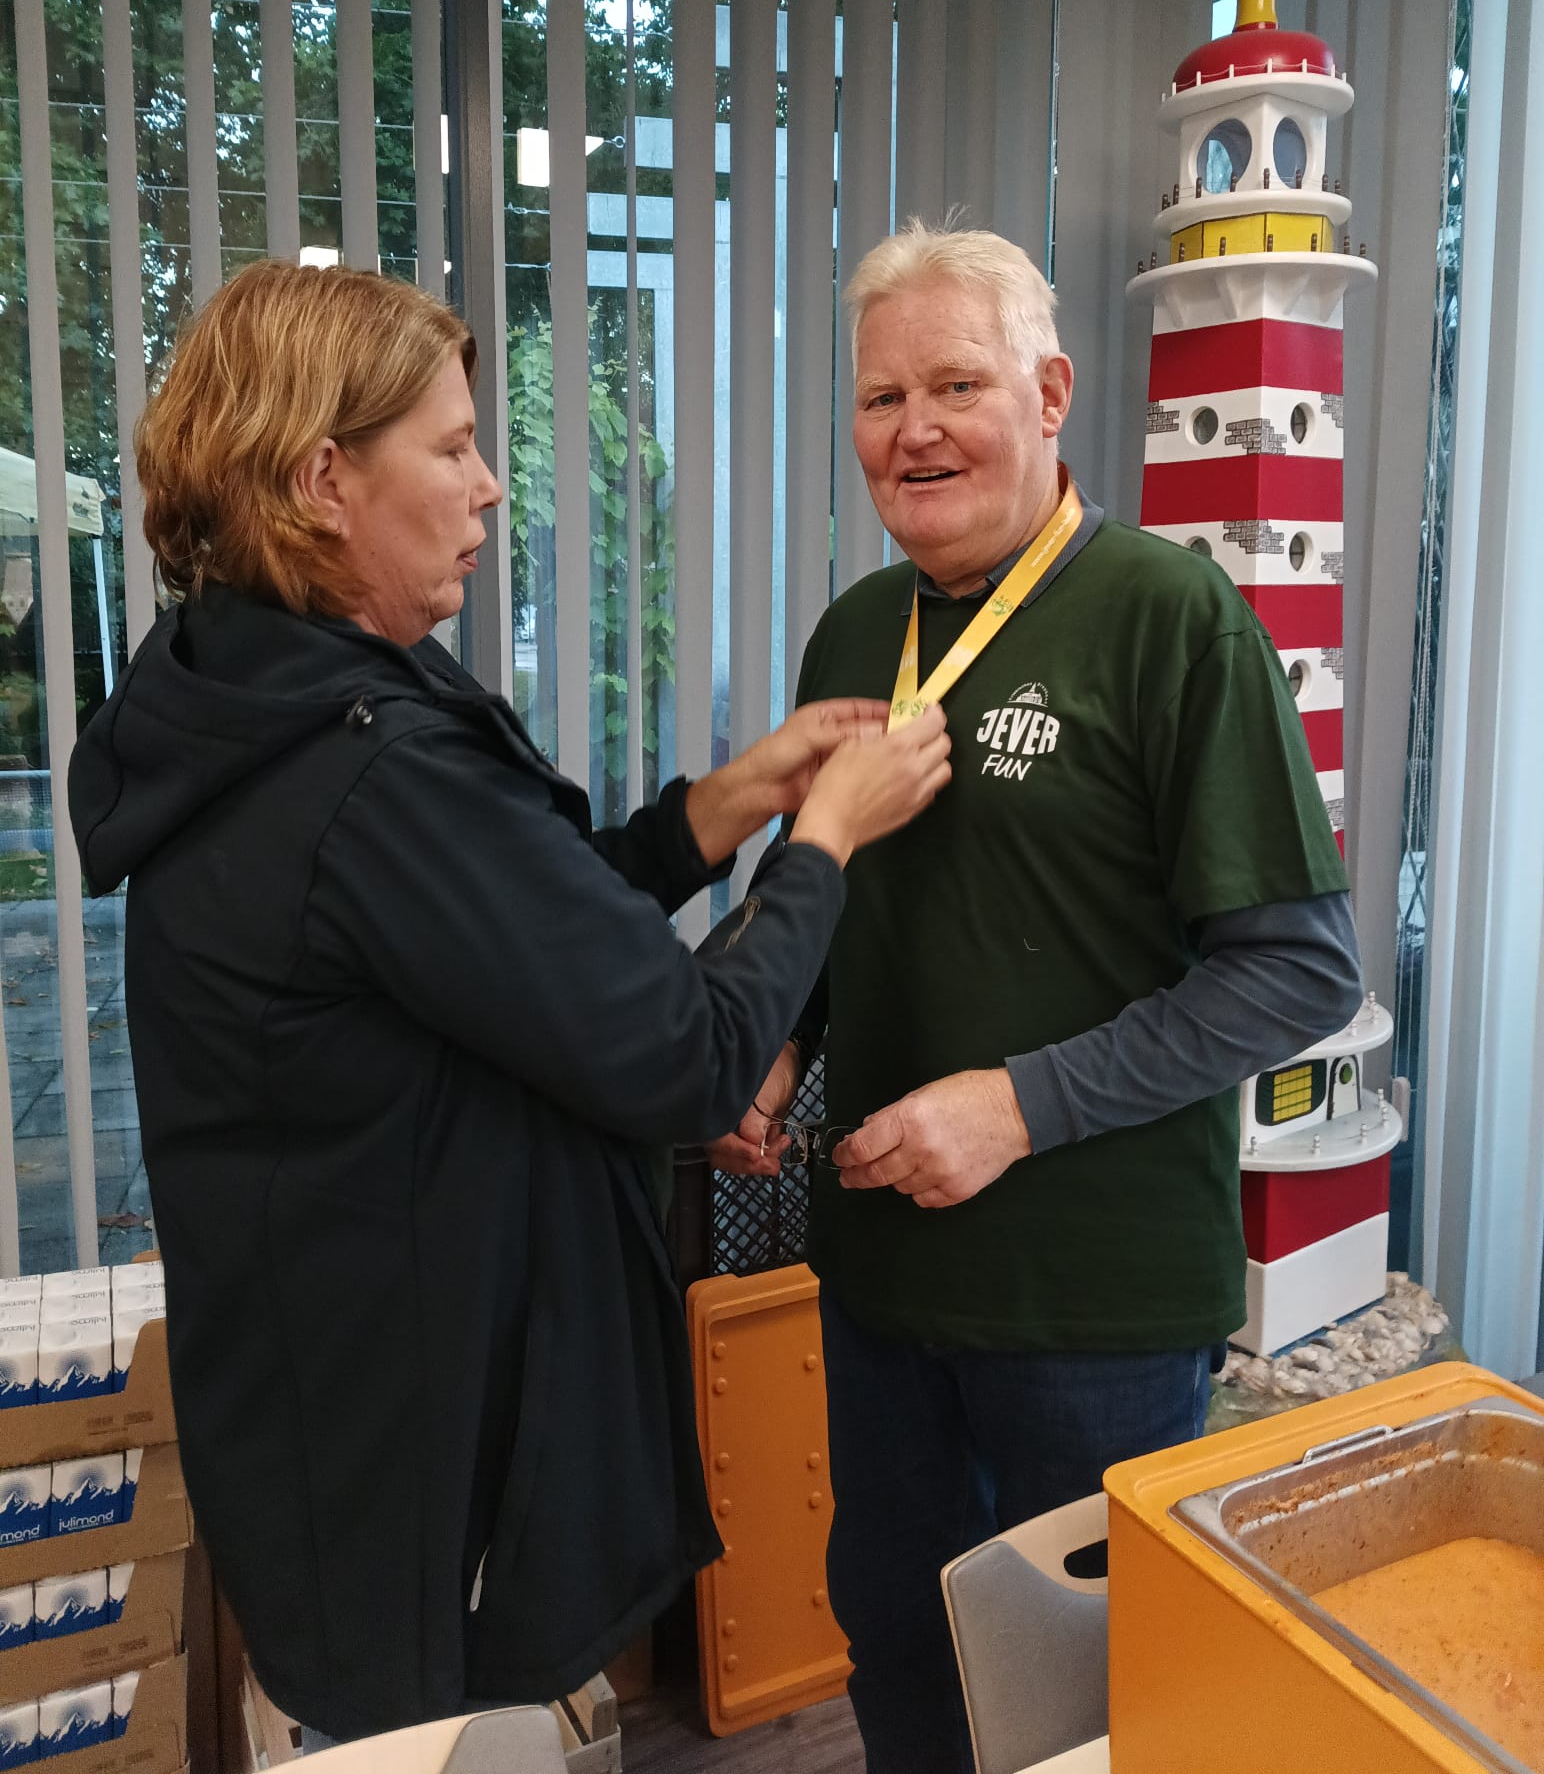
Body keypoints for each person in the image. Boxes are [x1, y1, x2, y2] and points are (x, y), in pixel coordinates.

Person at [66, 261, 951, 1747]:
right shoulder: (366, 770)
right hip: (426, 1494)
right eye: (456, 446)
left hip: (333, 1446)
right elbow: (687, 1054)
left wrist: (721, 809)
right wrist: (825, 843)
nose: (490, 486)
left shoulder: (249, 693)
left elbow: (510, 935)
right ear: (325, 481)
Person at [726, 224, 1363, 1773]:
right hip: (880, 1281)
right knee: (897, 1644)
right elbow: (838, 884)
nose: (915, 430)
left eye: (958, 385)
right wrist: (777, 1039)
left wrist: (1021, 1104)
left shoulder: (1171, 617)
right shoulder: (855, 630)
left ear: (1052, 391)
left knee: (1090, 1706)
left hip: (1095, 1310)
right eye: (883, 397)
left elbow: (1298, 971)